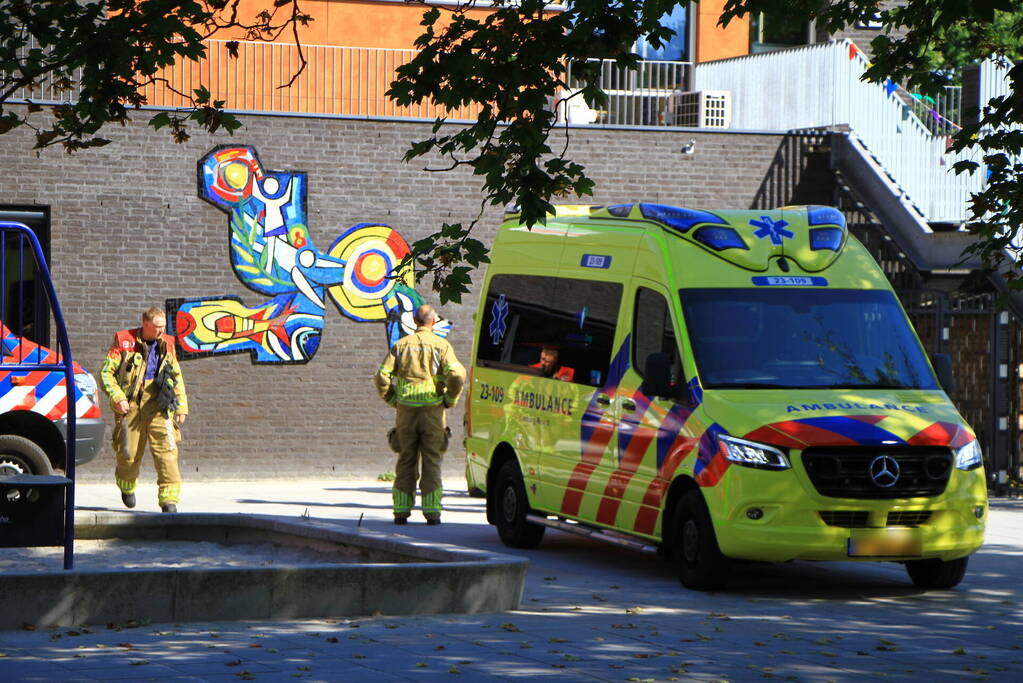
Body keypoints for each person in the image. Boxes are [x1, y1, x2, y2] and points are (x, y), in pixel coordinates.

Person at [374, 304, 465, 525]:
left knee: (406, 459)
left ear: (415, 321)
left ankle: (401, 512)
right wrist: (450, 399)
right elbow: (456, 375)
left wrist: (392, 399)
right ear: (433, 322)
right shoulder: (442, 346)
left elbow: (381, 376)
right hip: (433, 413)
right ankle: (432, 513)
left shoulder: (401, 345)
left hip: (405, 413)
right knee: (432, 461)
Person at [100, 306, 189, 513]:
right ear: (145, 324)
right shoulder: (124, 342)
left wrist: (182, 405)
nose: (161, 331)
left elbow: (176, 375)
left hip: (159, 404)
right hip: (131, 405)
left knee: (167, 451)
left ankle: (169, 501)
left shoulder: (167, 344)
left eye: (164, 327)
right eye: (157, 327)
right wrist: (118, 397)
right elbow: (106, 373)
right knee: (128, 454)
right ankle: (127, 485)